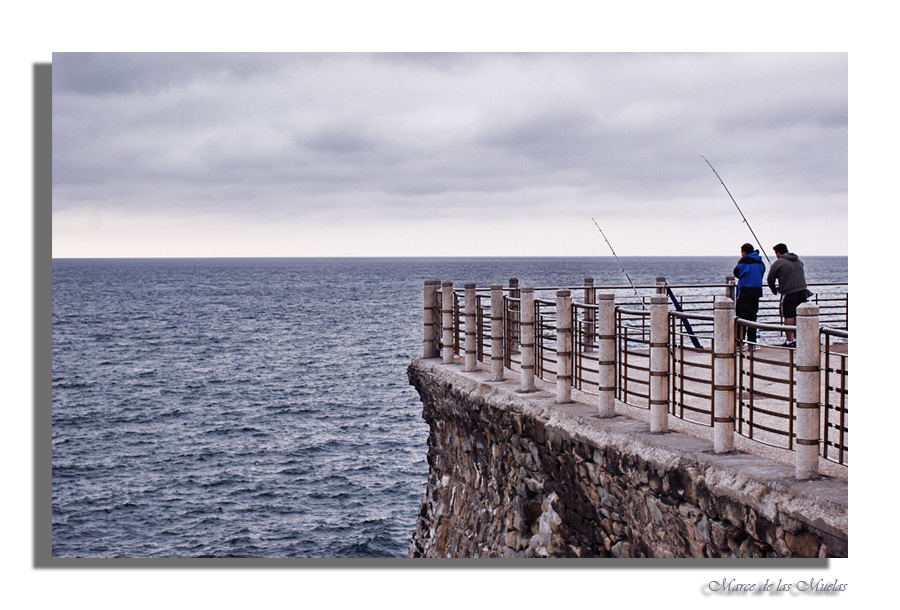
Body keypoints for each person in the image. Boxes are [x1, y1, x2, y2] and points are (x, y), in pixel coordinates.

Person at [766, 243, 808, 347]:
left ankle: (789, 341)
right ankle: (798, 339)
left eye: (776, 253)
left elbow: (770, 278)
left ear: (778, 253)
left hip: (789, 293)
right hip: (803, 292)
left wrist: (774, 290)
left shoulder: (778, 263)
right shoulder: (798, 261)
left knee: (788, 315)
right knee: (798, 316)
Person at [734, 243, 765, 348]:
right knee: (752, 318)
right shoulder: (760, 262)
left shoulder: (744, 261)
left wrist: (738, 263)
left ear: (743, 252)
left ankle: (739, 342)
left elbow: (737, 273)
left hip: (745, 292)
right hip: (756, 293)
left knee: (741, 318)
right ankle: (752, 343)